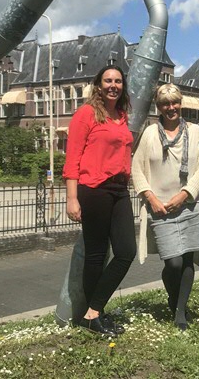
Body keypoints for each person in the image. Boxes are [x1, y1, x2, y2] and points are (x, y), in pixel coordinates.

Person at [62, 65, 136, 335]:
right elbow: (72, 159)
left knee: (127, 251)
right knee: (96, 254)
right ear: (98, 85)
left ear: (123, 86)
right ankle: (93, 315)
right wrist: (72, 198)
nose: (113, 85)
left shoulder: (123, 116)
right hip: (93, 189)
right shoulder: (86, 114)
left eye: (118, 81)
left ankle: (93, 310)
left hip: (119, 190)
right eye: (108, 81)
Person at [132, 84, 199, 331]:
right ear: (159, 107)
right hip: (160, 208)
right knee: (173, 263)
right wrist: (150, 197)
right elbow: (136, 168)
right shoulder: (149, 134)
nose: (171, 107)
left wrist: (186, 193)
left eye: (174, 102)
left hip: (189, 206)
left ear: (181, 104)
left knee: (188, 260)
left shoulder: (196, 132)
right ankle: (173, 297)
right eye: (165, 104)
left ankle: (180, 311)